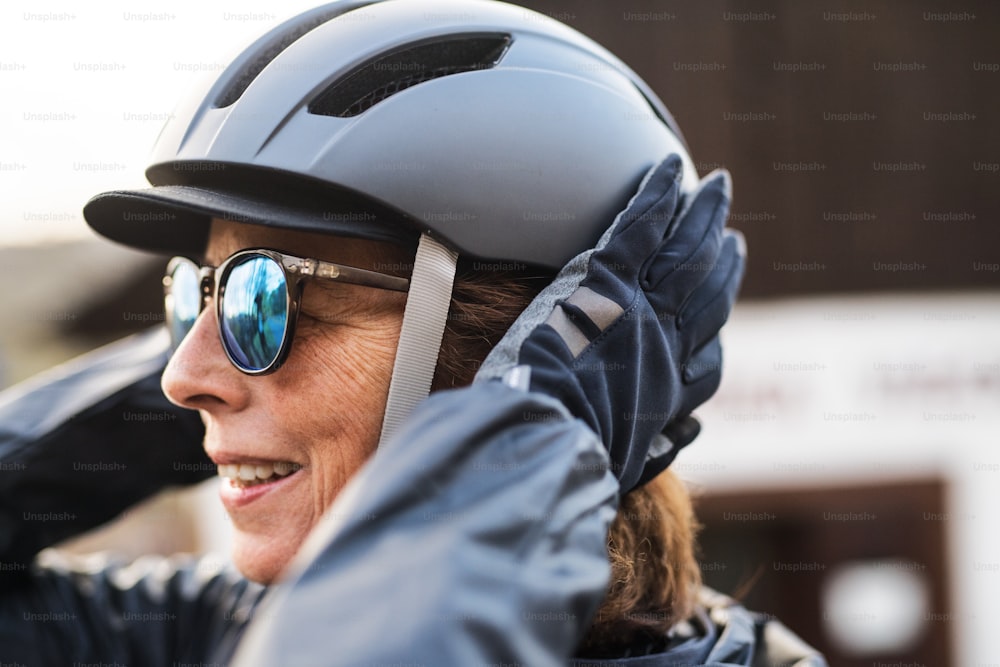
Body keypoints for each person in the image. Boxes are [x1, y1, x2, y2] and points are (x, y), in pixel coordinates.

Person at [0, 1, 826, 665]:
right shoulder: (219, 630)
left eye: (264, 293)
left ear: (504, 350)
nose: (181, 377)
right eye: (195, 295)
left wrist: (517, 439)